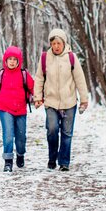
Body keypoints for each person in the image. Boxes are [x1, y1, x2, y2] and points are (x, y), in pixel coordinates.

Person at [33, 28, 89, 171]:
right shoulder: (45, 57)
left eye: (59, 43)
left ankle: (64, 162)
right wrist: (38, 97)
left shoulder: (71, 58)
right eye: (53, 43)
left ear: (64, 43)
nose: (56, 46)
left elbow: (80, 79)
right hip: (51, 102)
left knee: (66, 133)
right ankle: (52, 158)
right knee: (52, 130)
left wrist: (84, 99)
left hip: (69, 102)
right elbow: (39, 78)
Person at [0, 46, 35, 172]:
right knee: (8, 135)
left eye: (15, 59)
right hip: (5, 109)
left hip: (21, 109)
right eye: (10, 59)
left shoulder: (23, 74)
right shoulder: (1, 74)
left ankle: (20, 154)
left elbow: (33, 88)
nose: (12, 61)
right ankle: (8, 161)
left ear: (19, 61)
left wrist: (35, 97)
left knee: (21, 137)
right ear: (6, 60)